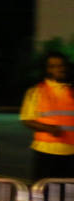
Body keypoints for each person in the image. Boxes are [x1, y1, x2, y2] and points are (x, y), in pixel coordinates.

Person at [20, 52, 74, 181]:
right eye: (53, 66)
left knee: (67, 190)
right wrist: (48, 128)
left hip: (71, 152)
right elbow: (26, 119)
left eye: (62, 65)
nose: (60, 69)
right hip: (45, 151)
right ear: (47, 69)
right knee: (43, 188)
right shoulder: (35, 91)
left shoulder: (72, 90)